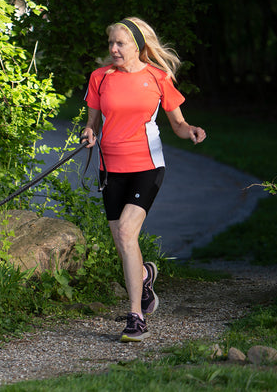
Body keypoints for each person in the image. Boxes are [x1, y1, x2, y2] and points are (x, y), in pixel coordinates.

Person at [81, 17, 206, 342]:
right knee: (123, 243)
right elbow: (92, 121)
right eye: (111, 43)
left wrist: (190, 130)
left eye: (120, 43)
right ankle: (146, 276)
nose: (113, 49)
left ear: (137, 45)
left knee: (125, 232)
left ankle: (135, 316)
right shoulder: (100, 77)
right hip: (110, 169)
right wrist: (88, 133)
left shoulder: (158, 77)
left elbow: (177, 124)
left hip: (146, 167)